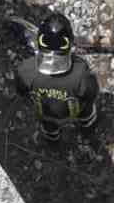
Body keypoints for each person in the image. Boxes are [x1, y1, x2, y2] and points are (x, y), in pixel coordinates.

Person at [14, 13, 100, 144]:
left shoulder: (25, 69)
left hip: (46, 114)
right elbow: (91, 94)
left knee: (49, 128)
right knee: (87, 114)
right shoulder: (80, 71)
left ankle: (53, 142)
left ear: (39, 41)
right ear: (69, 43)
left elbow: (22, 92)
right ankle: (88, 131)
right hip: (76, 112)